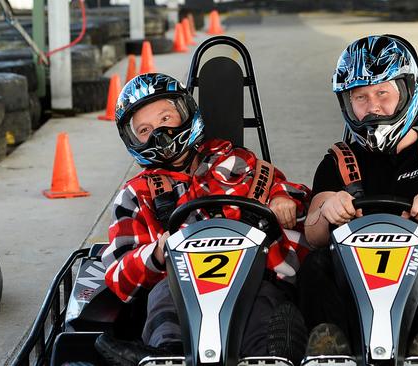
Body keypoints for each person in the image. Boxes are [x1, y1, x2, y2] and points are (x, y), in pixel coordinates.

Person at [97, 73, 311, 365]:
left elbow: (289, 192)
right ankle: (168, 355)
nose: (159, 133)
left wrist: (282, 199)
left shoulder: (238, 162)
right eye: (145, 129)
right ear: (132, 139)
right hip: (181, 291)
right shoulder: (136, 194)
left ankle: (268, 357)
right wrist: (158, 253)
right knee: (162, 294)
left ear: (186, 113)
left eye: (165, 118)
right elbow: (119, 274)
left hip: (250, 282)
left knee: (267, 305)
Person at [298, 35, 418, 361]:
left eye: (382, 93)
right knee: (316, 263)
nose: (372, 106)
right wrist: (327, 210)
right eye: (360, 97)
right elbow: (313, 234)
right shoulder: (338, 162)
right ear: (347, 104)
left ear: (407, 91)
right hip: (359, 282)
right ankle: (333, 350)